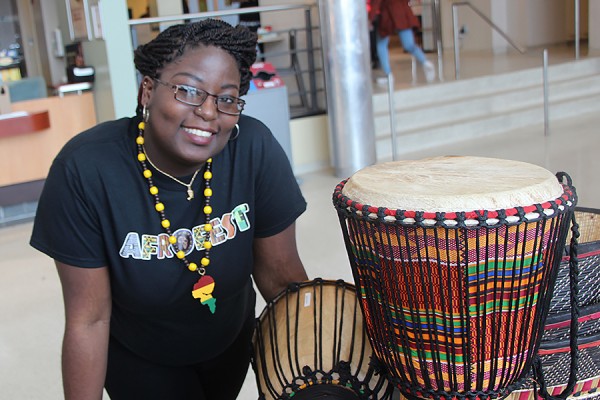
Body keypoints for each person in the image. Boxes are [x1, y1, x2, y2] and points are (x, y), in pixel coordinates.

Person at [29, 19, 308, 400]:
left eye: (226, 98)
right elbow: (88, 320)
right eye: (189, 90)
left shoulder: (253, 147)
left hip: (230, 341)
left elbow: (281, 280)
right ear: (147, 91)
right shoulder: (86, 169)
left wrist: (317, 370)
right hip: (139, 357)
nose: (209, 112)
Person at [369, 0, 435, 85]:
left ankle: (388, 75)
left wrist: (370, 18)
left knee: (381, 45)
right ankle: (425, 62)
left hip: (388, 14)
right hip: (402, 12)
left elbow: (376, 2)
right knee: (409, 45)